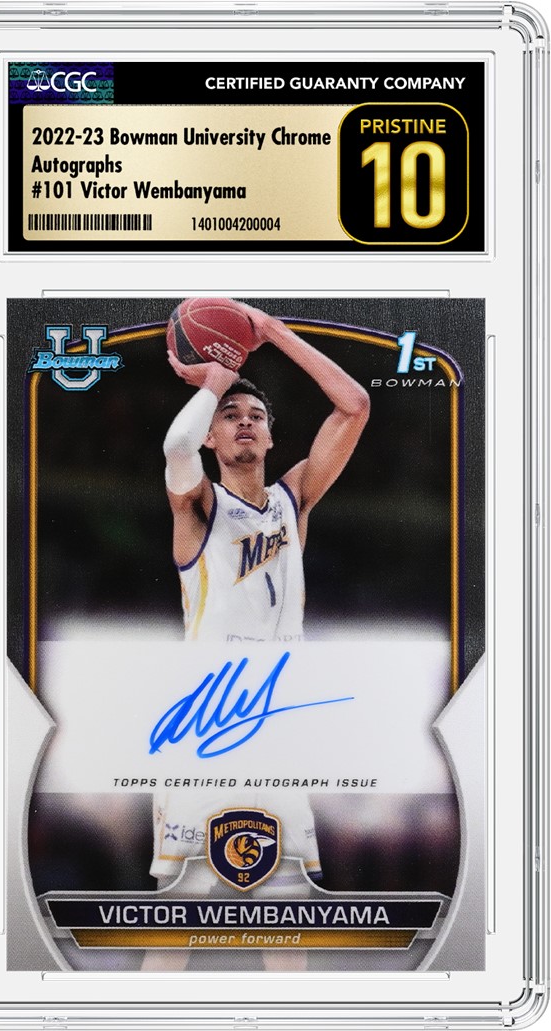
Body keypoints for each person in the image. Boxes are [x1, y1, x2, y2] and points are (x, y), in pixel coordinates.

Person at [141, 302, 370, 971]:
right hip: (204, 729)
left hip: (276, 731)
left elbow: (354, 404)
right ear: (212, 438)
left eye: (257, 416)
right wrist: (214, 379)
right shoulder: (199, 505)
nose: (245, 422)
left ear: (270, 439)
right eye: (230, 416)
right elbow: (175, 449)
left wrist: (270, 332)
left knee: (285, 921)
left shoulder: (292, 500)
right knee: (178, 926)